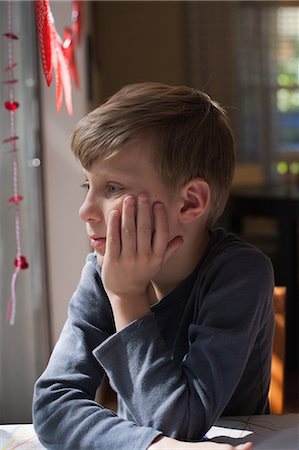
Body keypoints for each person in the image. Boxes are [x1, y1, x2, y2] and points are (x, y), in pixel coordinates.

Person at [33, 82, 274, 450]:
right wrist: (155, 446)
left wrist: (127, 296)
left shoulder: (240, 274)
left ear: (190, 202)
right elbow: (52, 406)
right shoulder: (102, 272)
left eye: (112, 188)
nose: (85, 211)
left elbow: (182, 422)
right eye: (88, 185)